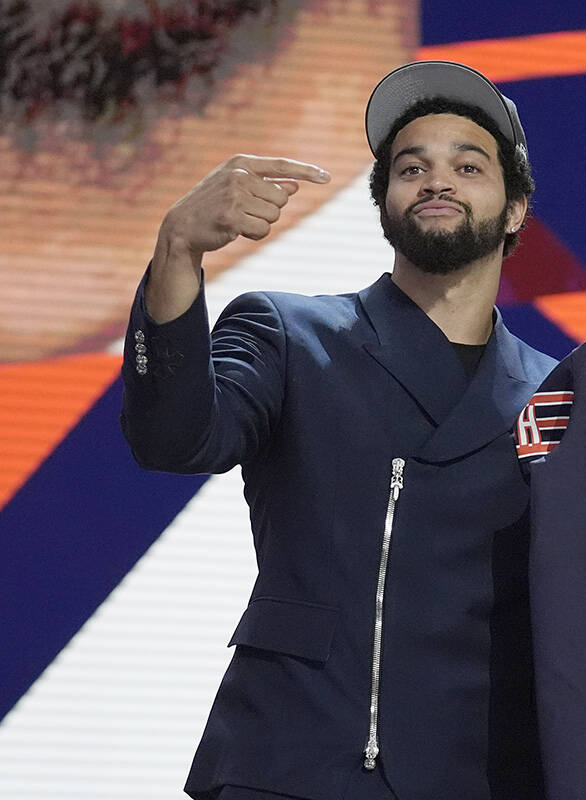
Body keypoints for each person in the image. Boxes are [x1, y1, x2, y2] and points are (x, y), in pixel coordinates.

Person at [120, 60, 555, 800]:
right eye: (411, 167)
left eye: (468, 164)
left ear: (515, 209)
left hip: (475, 771)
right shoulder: (290, 333)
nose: (437, 179)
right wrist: (177, 251)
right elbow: (175, 439)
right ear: (385, 201)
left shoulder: (557, 391)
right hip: (288, 761)